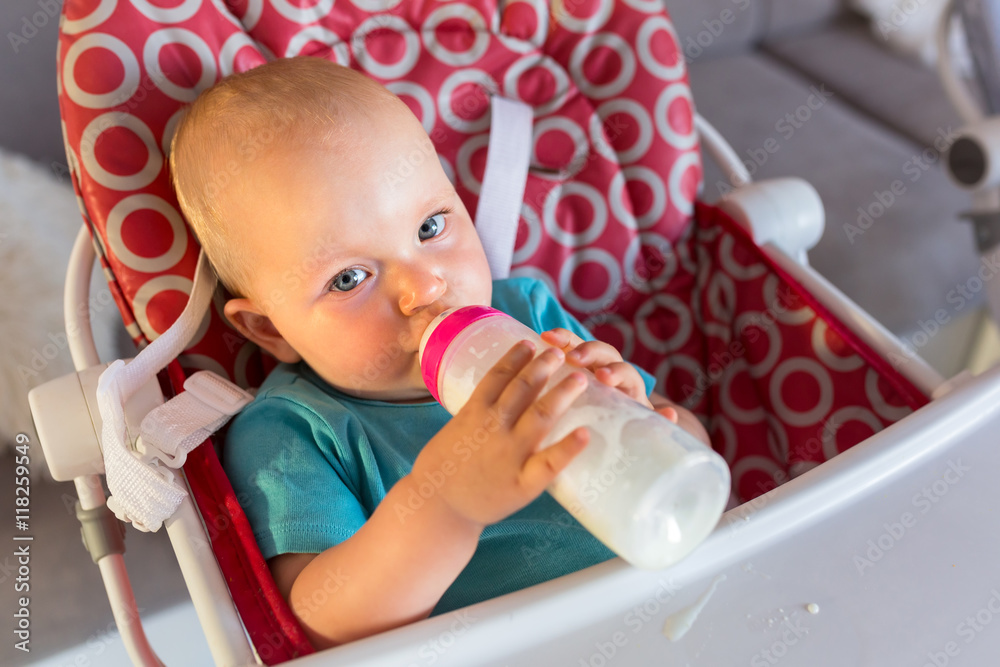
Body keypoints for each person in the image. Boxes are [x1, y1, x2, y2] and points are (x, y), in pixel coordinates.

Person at [169, 56, 711, 650]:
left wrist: (637, 413)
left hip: (682, 603)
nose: (423, 287)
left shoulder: (529, 315)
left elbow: (696, 454)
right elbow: (316, 628)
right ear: (270, 331)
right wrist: (449, 504)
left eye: (430, 228)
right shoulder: (294, 432)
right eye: (349, 278)